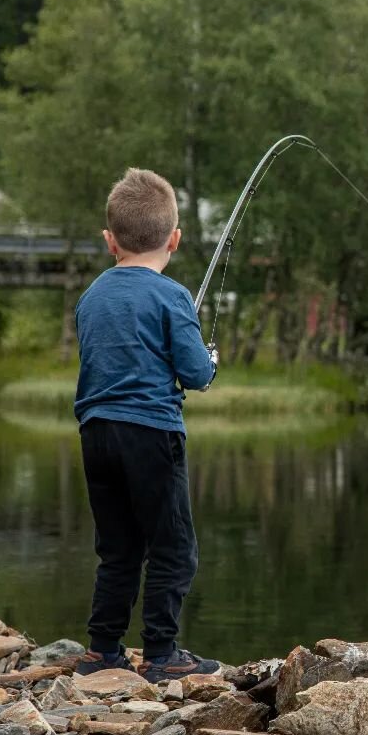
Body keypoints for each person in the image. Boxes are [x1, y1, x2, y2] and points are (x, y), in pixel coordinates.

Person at [72, 168, 221, 682]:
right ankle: (161, 652)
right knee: (173, 547)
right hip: (151, 434)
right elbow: (195, 374)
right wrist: (210, 359)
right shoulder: (173, 297)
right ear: (174, 239)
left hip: (95, 433)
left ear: (110, 240)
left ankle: (102, 649)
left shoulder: (90, 297)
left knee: (117, 548)